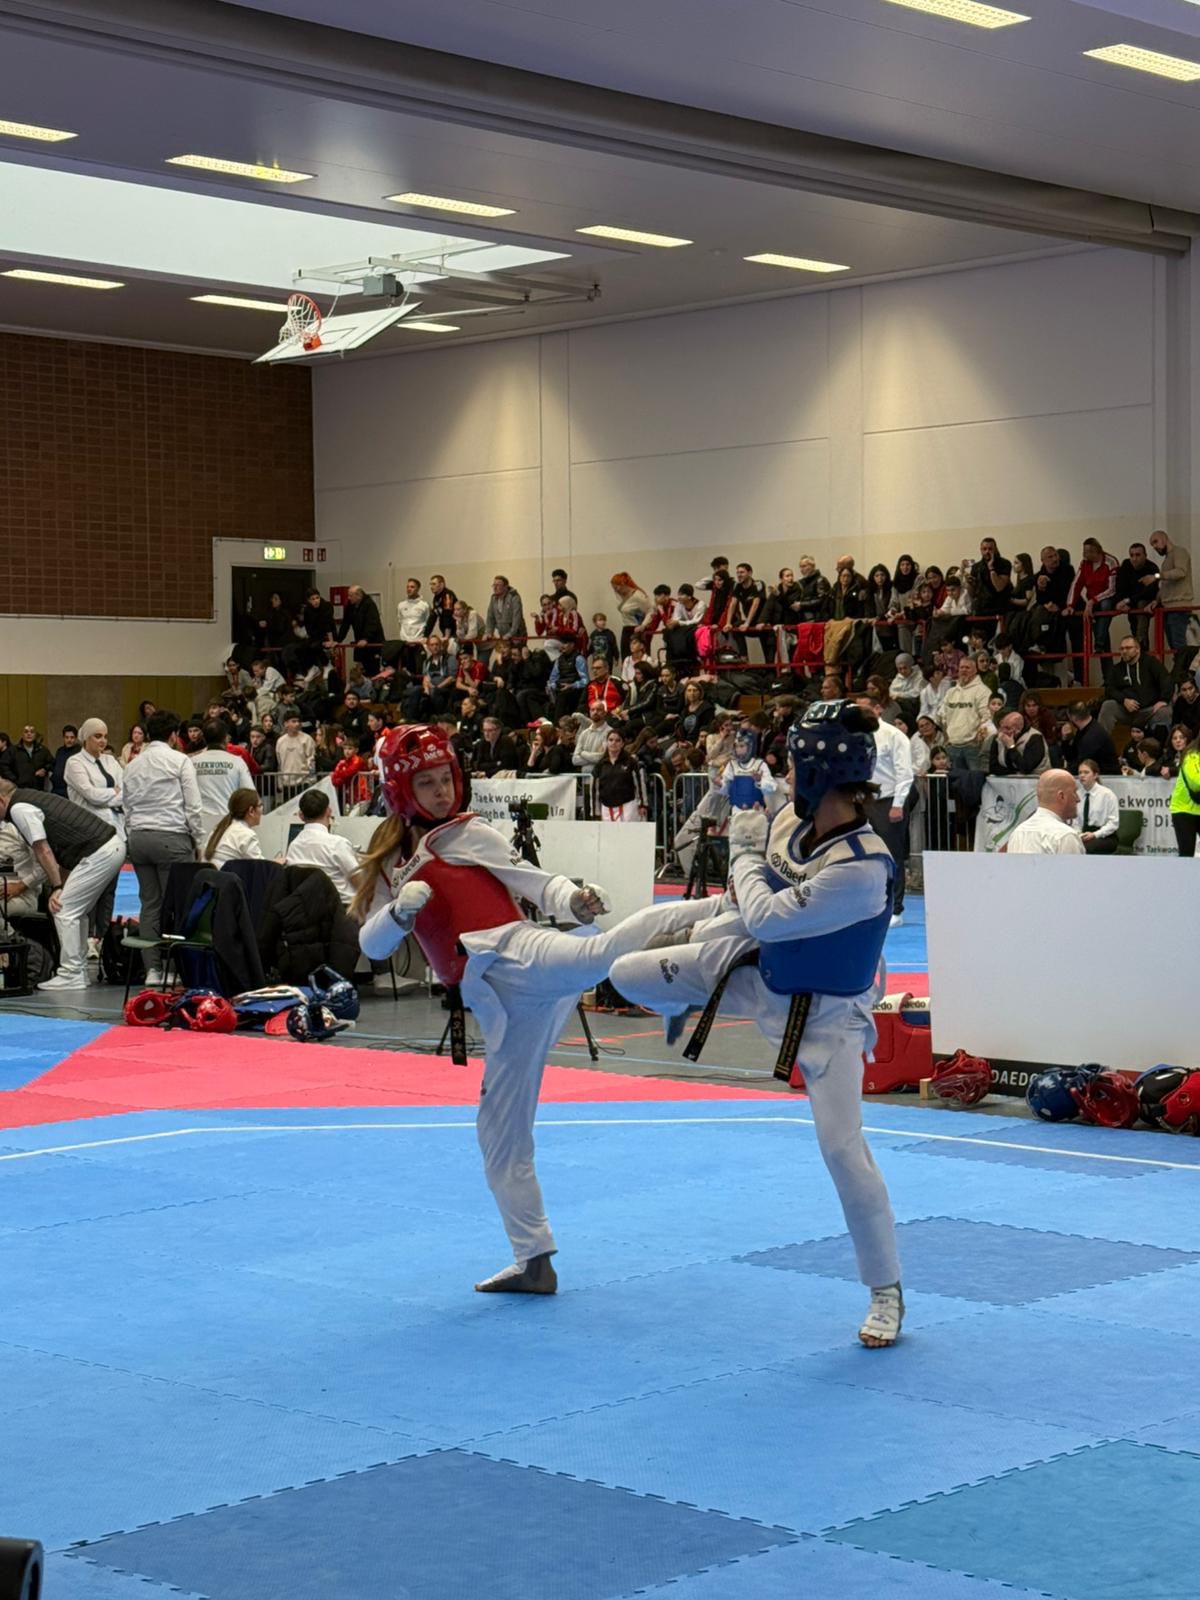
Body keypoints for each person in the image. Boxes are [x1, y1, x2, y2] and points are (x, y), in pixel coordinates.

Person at [355, 724, 708, 1293]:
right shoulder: (389, 861)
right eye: (427, 783)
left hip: (517, 953)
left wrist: (575, 900)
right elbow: (372, 946)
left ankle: (720, 913)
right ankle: (534, 1260)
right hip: (498, 1004)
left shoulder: (468, 833)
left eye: (446, 778)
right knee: (498, 1133)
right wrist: (397, 914)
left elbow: (536, 882)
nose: (442, 792)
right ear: (400, 790)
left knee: (600, 955)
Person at [610, 701, 904, 1347]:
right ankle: (677, 1000)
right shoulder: (790, 825)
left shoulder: (862, 867)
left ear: (818, 774)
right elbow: (753, 910)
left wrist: (741, 855)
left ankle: (885, 1289)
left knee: (842, 1150)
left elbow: (769, 914)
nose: (788, 777)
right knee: (628, 972)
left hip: (828, 1019)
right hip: (755, 975)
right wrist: (709, 913)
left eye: (796, 766)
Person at [0, 777, 126, 990]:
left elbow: (43, 851)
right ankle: (79, 970)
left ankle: (71, 973)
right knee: (76, 911)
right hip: (107, 847)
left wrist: (58, 887)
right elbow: (63, 850)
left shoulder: (19, 808)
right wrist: (62, 885)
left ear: (1, 800)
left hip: (99, 851)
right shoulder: (32, 799)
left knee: (64, 909)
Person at [121, 710, 205, 984]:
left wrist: (133, 833)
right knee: (180, 904)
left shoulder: (132, 765)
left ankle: (153, 971)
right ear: (173, 735)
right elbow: (193, 806)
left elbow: (127, 806)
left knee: (149, 904)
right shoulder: (180, 761)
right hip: (172, 838)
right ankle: (181, 970)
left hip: (139, 839)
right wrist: (199, 840)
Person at [855, 691, 914, 928]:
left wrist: (898, 804)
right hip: (862, 800)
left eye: (865, 709)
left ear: (878, 709)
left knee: (891, 856)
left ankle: (895, 908)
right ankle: (866, 905)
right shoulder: (854, 735)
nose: (861, 714)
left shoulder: (894, 735)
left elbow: (904, 773)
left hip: (888, 801)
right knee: (862, 855)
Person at [285, 788, 361, 903]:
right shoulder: (338, 844)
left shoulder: (293, 847)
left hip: (306, 909)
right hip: (342, 909)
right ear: (328, 811)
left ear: (301, 815)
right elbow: (360, 883)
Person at [1098, 636, 1172, 737]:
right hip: (1127, 710)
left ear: (1137, 649)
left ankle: (1160, 745)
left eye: (1128, 648)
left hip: (1150, 709)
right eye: (1122, 649)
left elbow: (1166, 680)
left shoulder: (1151, 663)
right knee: (1108, 705)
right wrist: (1124, 700)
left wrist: (1164, 700)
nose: (1124, 651)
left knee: (1165, 711)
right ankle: (1101, 743)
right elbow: (1109, 689)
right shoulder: (1117, 669)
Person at [192, 720, 253, 842]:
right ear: (226, 738)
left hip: (199, 823)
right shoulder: (237, 762)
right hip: (228, 823)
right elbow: (250, 793)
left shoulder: (191, 762)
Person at [1005, 769, 1084, 854]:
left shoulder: (1017, 833)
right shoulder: (1065, 836)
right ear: (1061, 796)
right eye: (1074, 792)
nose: (1078, 799)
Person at [1149, 530, 1195, 657]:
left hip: (1178, 607)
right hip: (1168, 608)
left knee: (1179, 645)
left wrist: (1157, 576)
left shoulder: (1179, 552)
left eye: (1155, 541)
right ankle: (1181, 667)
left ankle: (1184, 668)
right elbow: (1165, 586)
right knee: (1174, 646)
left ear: (1165, 538)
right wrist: (1156, 601)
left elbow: (1181, 572)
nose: (1154, 546)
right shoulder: (1166, 561)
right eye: (1152, 544)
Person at [941, 658, 992, 771]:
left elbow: (987, 717)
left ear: (975, 670)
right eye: (961, 667)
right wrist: (946, 737)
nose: (964, 670)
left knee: (975, 780)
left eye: (967, 668)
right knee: (956, 781)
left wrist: (978, 739)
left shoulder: (983, 691)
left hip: (973, 747)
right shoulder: (951, 692)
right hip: (952, 746)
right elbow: (943, 716)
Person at [592, 726, 648, 821]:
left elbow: (640, 783)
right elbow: (594, 789)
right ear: (606, 742)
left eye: (618, 740)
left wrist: (643, 804)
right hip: (606, 808)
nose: (614, 743)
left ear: (623, 744)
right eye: (611, 740)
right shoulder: (600, 765)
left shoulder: (631, 762)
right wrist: (595, 812)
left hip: (628, 806)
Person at [1113, 543, 1161, 647]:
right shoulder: (1126, 565)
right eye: (1132, 555)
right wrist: (1120, 601)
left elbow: (1149, 592)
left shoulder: (1152, 568)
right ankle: (1139, 646)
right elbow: (1119, 586)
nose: (1134, 558)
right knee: (1134, 626)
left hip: (1148, 602)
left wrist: (1127, 600)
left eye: (1138, 555)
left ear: (1145, 555)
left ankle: (1140, 643)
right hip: (1131, 602)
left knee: (1141, 606)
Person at [204, 788, 266, 865]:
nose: (262, 810)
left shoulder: (217, 830)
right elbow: (261, 868)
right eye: (260, 805)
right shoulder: (246, 835)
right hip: (228, 873)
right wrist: (276, 863)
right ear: (251, 811)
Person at [1074, 759, 1119, 855]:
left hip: (1104, 836)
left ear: (1095, 775)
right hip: (1083, 834)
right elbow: (1075, 821)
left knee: (1086, 848)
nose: (1082, 775)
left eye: (1086, 772)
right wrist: (1079, 834)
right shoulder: (1077, 795)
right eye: (1080, 772)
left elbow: (1113, 823)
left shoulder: (1107, 795)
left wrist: (1095, 834)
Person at [988, 710, 1049, 777]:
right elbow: (993, 767)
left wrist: (1011, 747)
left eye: (1007, 728)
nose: (1003, 731)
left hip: (1036, 779)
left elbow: (1026, 768)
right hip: (1008, 779)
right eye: (1002, 727)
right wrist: (1014, 773)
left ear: (1018, 729)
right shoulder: (1000, 737)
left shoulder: (1035, 738)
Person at [1169, 729, 1200, 856]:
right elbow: (1195, 782)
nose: (1178, 741)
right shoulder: (1191, 755)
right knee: (1186, 854)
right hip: (1184, 809)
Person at [395, 578, 432, 674]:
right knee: (406, 671)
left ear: (418, 589)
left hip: (419, 643)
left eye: (412, 587)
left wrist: (424, 637)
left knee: (419, 671)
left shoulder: (424, 605)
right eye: (407, 587)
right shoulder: (401, 605)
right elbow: (400, 622)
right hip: (405, 643)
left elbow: (428, 623)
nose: (409, 589)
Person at [484, 575, 527, 643]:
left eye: (498, 585)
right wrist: (488, 632)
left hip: (517, 635)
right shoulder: (493, 598)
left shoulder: (514, 597)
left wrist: (510, 634)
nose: (495, 588)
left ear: (505, 587)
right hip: (503, 635)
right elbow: (490, 618)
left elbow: (517, 618)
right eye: (494, 585)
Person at [10, 725, 52, 790]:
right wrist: (14, 779)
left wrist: (45, 769)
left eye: (32, 732)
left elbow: (52, 763)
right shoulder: (13, 751)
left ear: (35, 735)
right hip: (19, 788)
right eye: (26, 732)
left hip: (38, 788)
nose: (29, 734)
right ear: (22, 735)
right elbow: (4, 766)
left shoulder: (42, 750)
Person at [50, 726, 79, 797]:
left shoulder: (79, 752)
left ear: (76, 738)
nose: (69, 740)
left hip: (70, 790)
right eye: (67, 737)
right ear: (63, 738)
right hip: (56, 789)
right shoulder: (60, 751)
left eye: (72, 737)